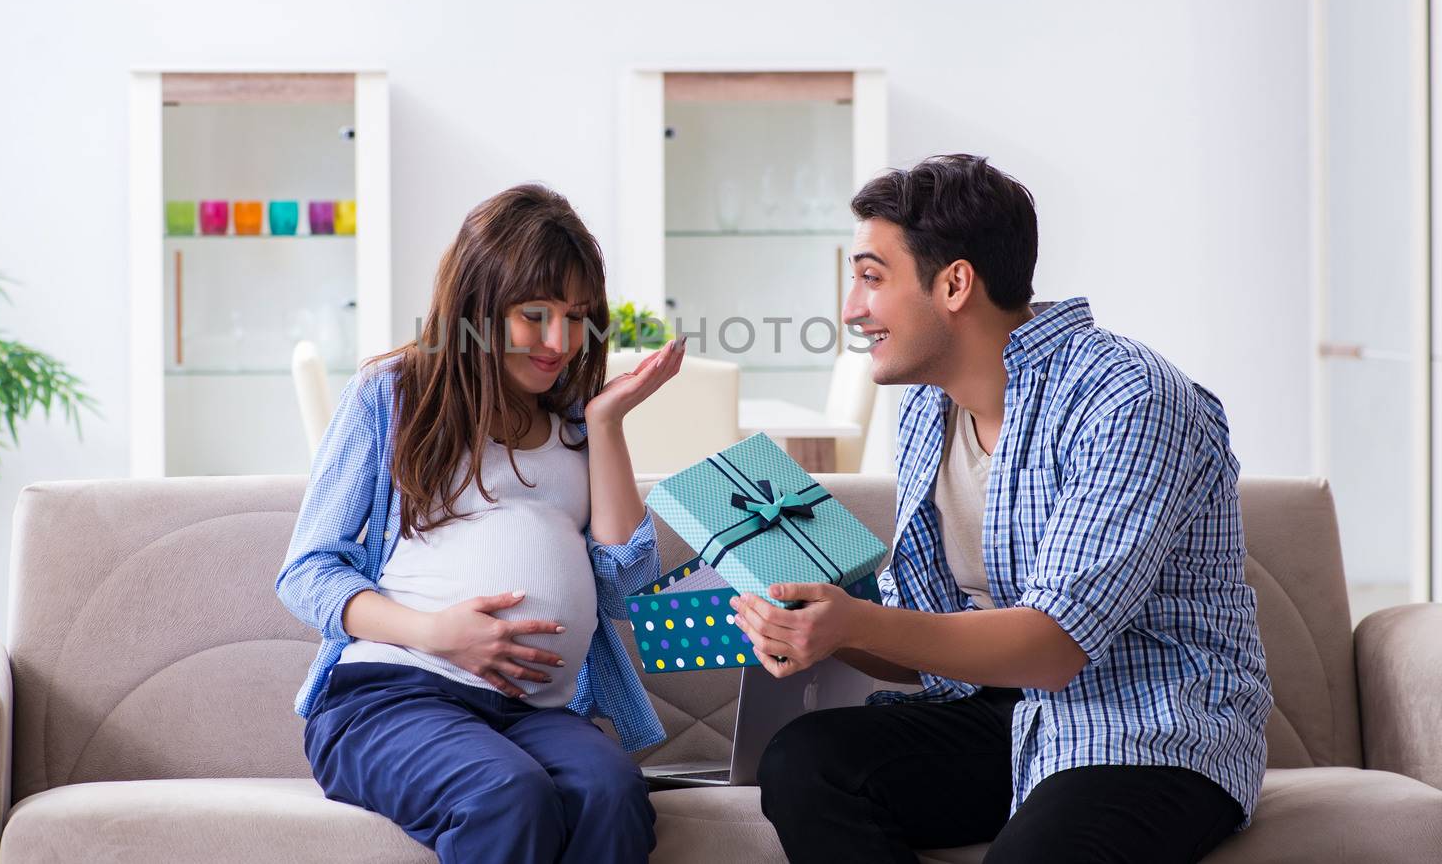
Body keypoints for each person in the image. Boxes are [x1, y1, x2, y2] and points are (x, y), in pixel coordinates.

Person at [737, 155, 1272, 863]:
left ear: (955, 283)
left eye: (871, 277)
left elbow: (1055, 648)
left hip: (1150, 725)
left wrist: (860, 619)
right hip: (1008, 711)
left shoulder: (1129, 397)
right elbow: (934, 643)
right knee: (807, 761)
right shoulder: (930, 407)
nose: (850, 308)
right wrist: (820, 626)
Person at [276, 183, 683, 864]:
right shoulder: (393, 396)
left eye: (578, 317)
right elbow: (307, 571)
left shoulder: (575, 422)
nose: (559, 340)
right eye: (534, 314)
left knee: (611, 790)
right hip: (390, 698)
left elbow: (623, 587)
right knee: (505, 794)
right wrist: (438, 634)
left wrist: (608, 422)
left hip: (535, 714)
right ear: (478, 306)